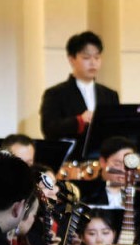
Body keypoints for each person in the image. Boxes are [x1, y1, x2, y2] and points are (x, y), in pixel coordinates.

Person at [40, 31, 120, 159]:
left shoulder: (110, 94)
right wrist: (79, 121)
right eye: (86, 58)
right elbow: (48, 128)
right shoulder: (55, 93)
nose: (93, 63)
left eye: (97, 57)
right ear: (72, 59)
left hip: (102, 159)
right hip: (70, 160)